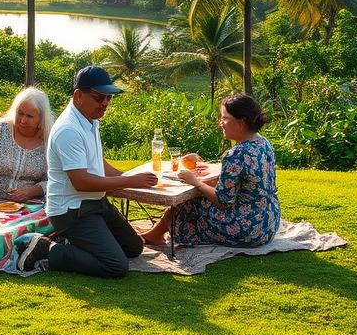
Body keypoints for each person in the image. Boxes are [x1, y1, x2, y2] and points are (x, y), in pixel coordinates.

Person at [15, 66, 161, 278]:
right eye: (99, 97)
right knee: (116, 266)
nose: (105, 103)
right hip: (71, 211)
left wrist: (128, 175)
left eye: (109, 98)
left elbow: (98, 163)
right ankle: (50, 250)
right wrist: (131, 181)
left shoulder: (89, 120)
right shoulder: (69, 129)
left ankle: (76, 244)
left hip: (93, 204)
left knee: (134, 248)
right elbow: (81, 182)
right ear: (79, 95)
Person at [143, 93, 280, 249]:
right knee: (197, 199)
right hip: (268, 222)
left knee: (187, 203)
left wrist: (195, 182)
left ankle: (155, 236)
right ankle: (155, 234)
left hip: (247, 229)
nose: (220, 123)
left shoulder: (236, 154)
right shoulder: (263, 142)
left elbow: (223, 201)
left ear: (242, 121)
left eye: (225, 119)